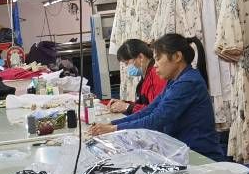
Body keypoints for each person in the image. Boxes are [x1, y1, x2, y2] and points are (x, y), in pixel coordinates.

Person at [89, 33, 223, 158]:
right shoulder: (174, 81)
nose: (155, 65)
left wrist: (114, 129)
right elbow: (149, 111)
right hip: (183, 151)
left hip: (199, 155)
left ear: (177, 57)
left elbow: (156, 120)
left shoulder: (188, 82)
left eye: (158, 59)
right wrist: (111, 124)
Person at [107, 39, 167, 116]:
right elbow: (144, 104)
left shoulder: (156, 75)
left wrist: (127, 107)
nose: (126, 67)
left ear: (141, 57)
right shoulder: (146, 76)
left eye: (127, 63)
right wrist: (124, 104)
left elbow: (156, 110)